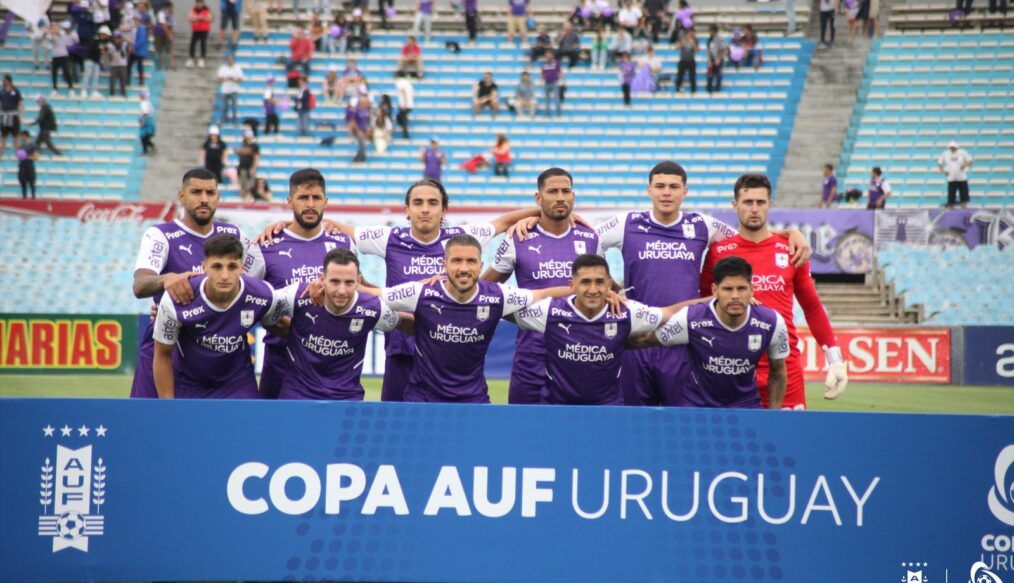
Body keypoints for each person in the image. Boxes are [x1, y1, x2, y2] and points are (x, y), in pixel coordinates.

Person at [256, 181, 544, 402]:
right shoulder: (389, 238)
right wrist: (281, 226)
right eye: (417, 203)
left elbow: (505, 222)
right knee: (395, 420)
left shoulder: (462, 238)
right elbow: (328, 225)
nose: (425, 209)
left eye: (433, 203)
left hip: (449, 349)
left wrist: (541, 216)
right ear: (406, 210)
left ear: (444, 210)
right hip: (402, 348)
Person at [595, 161, 810, 406]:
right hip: (636, 340)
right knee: (634, 421)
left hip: (682, 341)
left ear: (685, 191)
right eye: (660, 186)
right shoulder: (627, 223)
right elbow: (588, 242)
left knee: (682, 424)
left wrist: (790, 234)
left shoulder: (702, 225)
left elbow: (749, 239)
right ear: (649, 190)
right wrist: (608, 288)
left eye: (674, 186)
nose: (667, 192)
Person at [700, 173, 848, 410]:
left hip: (785, 370)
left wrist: (835, 360)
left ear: (771, 204)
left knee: (789, 444)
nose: (754, 209)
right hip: (731, 370)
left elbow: (811, 307)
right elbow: (702, 307)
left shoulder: (791, 249)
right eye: (748, 202)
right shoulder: (719, 252)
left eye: (761, 202)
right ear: (735, 205)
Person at [377, 234, 570, 403]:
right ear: (444, 265)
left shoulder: (498, 296)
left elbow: (543, 294)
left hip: (473, 400)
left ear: (480, 266)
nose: (463, 268)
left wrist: (584, 292)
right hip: (423, 400)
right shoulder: (420, 292)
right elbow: (374, 294)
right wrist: (351, 286)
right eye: (456, 261)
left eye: (470, 261)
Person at [131, 168, 264, 399]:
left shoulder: (235, 235)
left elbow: (257, 283)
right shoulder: (161, 235)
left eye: (210, 192)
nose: (204, 198)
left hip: (221, 353)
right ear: (182, 196)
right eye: (196, 192)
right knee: (150, 426)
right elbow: (140, 285)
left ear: (218, 197)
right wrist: (167, 280)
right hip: (166, 348)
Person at [483, 168, 600, 403]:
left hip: (581, 352)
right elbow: (485, 291)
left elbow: (604, 291)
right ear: (539, 198)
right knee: (523, 429)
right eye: (552, 191)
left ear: (573, 196)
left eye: (566, 191)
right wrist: (518, 315)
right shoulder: (517, 238)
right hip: (532, 354)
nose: (560, 197)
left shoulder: (590, 238)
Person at [513, 254, 692, 404]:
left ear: (609, 285)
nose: (593, 289)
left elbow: (670, 312)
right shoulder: (549, 311)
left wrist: (713, 302)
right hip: (558, 408)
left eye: (599, 282)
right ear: (571, 285)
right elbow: (504, 309)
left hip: (607, 409)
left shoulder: (626, 312)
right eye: (585, 282)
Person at [247, 169, 356, 398]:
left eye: (316, 198)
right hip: (281, 362)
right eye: (303, 198)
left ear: (325, 201)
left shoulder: (344, 244)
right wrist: (277, 324)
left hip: (332, 365)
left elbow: (357, 293)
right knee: (276, 432)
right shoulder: (264, 247)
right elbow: (246, 300)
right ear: (289, 201)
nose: (310, 204)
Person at [152, 235, 284, 399]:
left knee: (247, 425)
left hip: (238, 383)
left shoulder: (263, 294)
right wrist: (168, 406)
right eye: (217, 267)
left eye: (232, 267)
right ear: (204, 267)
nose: (224, 275)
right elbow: (162, 354)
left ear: (242, 268)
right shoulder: (176, 298)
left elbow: (283, 327)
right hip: (190, 384)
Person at [652, 257, 790, 408]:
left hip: (745, 406)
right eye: (728, 289)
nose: (735, 296)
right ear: (714, 290)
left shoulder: (771, 322)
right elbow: (644, 340)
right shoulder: (691, 318)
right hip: (698, 406)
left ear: (752, 290)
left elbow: (778, 372)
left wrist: (774, 414)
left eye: (741, 288)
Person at [274, 249, 407, 400]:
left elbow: (407, 324)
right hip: (296, 396)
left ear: (358, 281)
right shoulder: (297, 296)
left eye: (349, 282)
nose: (342, 290)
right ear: (322, 279)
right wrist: (288, 330)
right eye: (335, 281)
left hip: (345, 398)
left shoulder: (373, 308)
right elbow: (264, 309)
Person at [938, 140, 973, 209]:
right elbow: (939, 163)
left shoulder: (962, 153)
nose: (952, 149)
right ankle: (951, 209)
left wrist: (964, 165)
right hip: (951, 178)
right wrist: (943, 171)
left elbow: (970, 160)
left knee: (964, 196)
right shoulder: (945, 154)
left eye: (954, 147)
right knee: (951, 197)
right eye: (951, 147)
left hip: (962, 178)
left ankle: (964, 208)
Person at [49, 23, 78, 95]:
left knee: (66, 71)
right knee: (54, 73)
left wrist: (69, 34)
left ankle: (71, 88)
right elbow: (51, 40)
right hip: (55, 55)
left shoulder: (69, 34)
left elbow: (76, 41)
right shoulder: (53, 35)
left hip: (64, 55)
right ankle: (54, 89)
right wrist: (53, 34)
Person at [217, 53, 244, 124]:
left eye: (231, 60)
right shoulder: (223, 68)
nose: (230, 61)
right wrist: (226, 78)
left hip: (234, 90)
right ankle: (224, 121)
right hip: (225, 90)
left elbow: (241, 79)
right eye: (229, 60)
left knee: (234, 107)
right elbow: (219, 79)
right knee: (224, 107)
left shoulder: (237, 68)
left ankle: (234, 121)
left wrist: (233, 79)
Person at [1, 75, 24, 158]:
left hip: (13, 116)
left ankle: (17, 152)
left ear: (9, 81)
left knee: (15, 136)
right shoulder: (2, 91)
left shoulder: (16, 91)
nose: (3, 82)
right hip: (4, 115)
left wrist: (21, 116)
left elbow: (20, 104)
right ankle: (2, 151)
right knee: (3, 135)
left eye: (4, 80)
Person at [129, 3, 151, 86]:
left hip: (139, 51)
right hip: (136, 50)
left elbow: (141, 40)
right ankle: (128, 80)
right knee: (131, 65)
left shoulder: (141, 28)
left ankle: (141, 81)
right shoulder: (136, 28)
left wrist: (134, 47)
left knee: (139, 65)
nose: (134, 21)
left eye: (135, 20)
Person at [346, 91, 371, 162]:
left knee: (363, 143)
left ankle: (362, 156)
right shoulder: (357, 110)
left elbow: (367, 121)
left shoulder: (367, 111)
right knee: (361, 143)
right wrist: (357, 130)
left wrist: (367, 129)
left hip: (364, 130)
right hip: (358, 130)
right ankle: (360, 156)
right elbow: (353, 121)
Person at [187, 0, 212, 68]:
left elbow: (210, 19)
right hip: (195, 30)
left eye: (200, 3)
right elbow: (189, 18)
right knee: (192, 44)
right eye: (198, 3)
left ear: (203, 3)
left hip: (204, 30)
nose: (199, 4)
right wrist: (195, 18)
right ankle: (191, 59)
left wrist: (201, 18)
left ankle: (202, 59)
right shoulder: (193, 10)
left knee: (203, 44)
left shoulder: (207, 10)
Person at [234, 129, 259, 198]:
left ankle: (248, 198)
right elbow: (241, 154)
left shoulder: (254, 146)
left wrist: (253, 168)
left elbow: (256, 157)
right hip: (242, 167)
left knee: (250, 185)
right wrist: (236, 152)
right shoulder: (243, 144)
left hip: (249, 167)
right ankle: (243, 197)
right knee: (242, 185)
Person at [106, 31, 130, 97]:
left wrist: (126, 57)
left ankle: (123, 93)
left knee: (123, 78)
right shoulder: (110, 45)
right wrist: (112, 57)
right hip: (114, 65)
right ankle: (112, 93)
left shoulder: (125, 44)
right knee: (112, 79)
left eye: (119, 38)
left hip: (123, 64)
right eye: (117, 38)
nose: (118, 39)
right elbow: (108, 54)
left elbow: (128, 52)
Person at [153, 1, 175, 71]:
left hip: (167, 31)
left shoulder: (172, 15)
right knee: (160, 49)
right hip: (159, 32)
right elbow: (163, 25)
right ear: (168, 7)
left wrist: (171, 35)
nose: (173, 9)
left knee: (169, 49)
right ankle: (162, 65)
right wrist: (169, 35)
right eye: (172, 8)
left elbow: (171, 25)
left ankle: (172, 65)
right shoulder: (161, 13)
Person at [541, 49, 563, 118]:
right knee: (547, 100)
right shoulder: (544, 64)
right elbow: (542, 72)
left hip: (554, 83)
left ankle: (559, 115)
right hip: (546, 83)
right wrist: (542, 78)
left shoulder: (556, 63)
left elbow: (560, 72)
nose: (548, 56)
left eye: (549, 55)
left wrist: (562, 81)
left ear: (552, 55)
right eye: (547, 55)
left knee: (557, 100)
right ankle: (547, 115)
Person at [674, 28, 697, 94]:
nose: (692, 34)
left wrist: (692, 44)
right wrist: (683, 43)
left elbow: (697, 49)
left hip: (691, 60)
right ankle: (678, 88)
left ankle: (693, 90)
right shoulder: (683, 39)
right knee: (680, 75)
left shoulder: (695, 40)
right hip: (683, 60)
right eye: (691, 33)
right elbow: (676, 47)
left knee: (692, 76)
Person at [17, 131, 38, 199]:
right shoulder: (21, 146)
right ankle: (24, 198)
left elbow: (36, 156)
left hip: (29, 165)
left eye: (22, 136)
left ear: (26, 136)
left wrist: (27, 156)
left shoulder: (32, 145)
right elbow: (18, 156)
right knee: (23, 182)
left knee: (32, 182)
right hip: (22, 165)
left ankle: (33, 198)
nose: (21, 137)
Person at [706, 24, 725, 95]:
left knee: (718, 75)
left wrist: (719, 59)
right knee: (710, 74)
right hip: (711, 59)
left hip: (718, 59)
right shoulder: (709, 39)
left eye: (711, 31)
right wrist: (708, 58)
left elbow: (724, 50)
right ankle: (709, 90)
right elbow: (708, 50)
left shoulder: (720, 39)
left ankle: (717, 90)